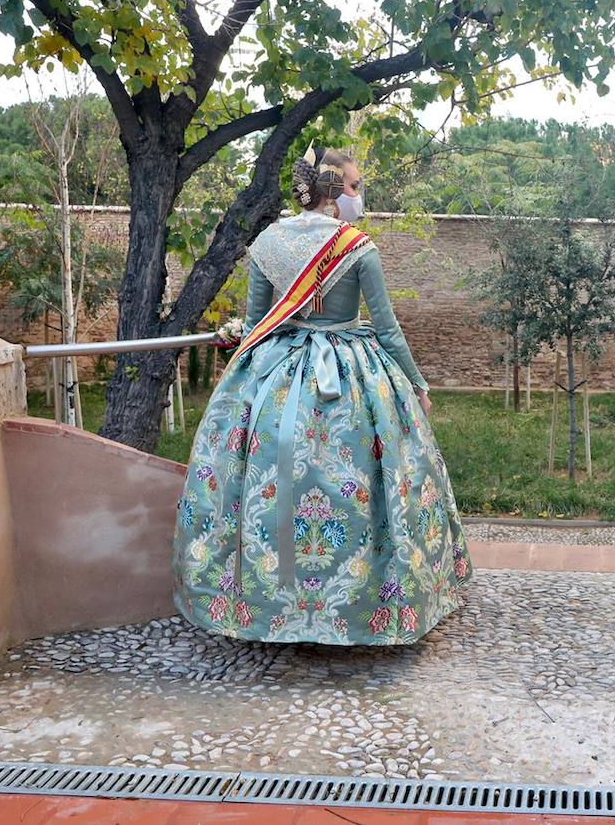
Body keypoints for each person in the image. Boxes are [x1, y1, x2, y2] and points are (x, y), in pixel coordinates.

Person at [173, 146, 472, 645]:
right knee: (371, 483)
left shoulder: (268, 242)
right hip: (355, 380)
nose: (360, 196)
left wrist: (232, 333)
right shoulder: (357, 246)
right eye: (355, 187)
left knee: (259, 479)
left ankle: (264, 601)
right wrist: (417, 386)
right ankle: (367, 603)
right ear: (334, 191)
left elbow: (255, 327)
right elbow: (389, 330)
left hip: (275, 376)